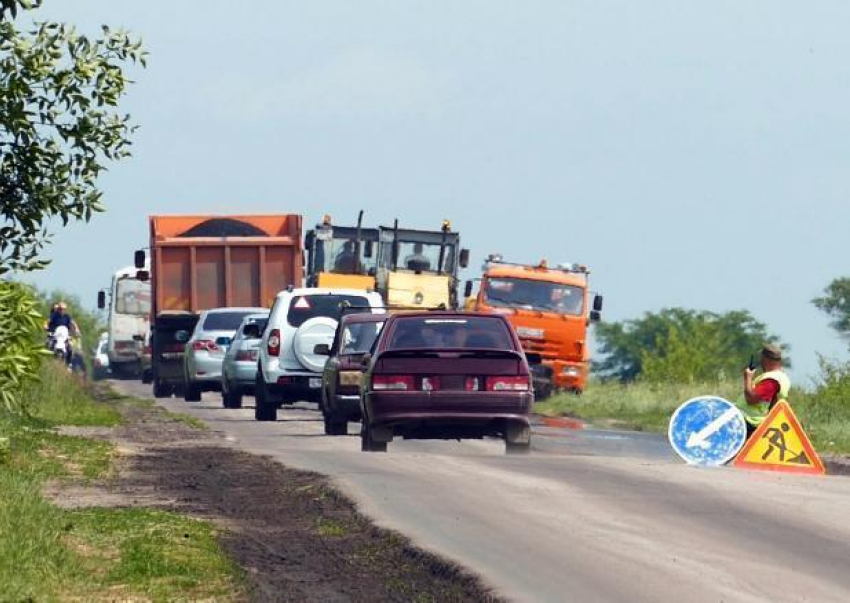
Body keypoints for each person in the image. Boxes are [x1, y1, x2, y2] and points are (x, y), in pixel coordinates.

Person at [739, 344, 790, 437]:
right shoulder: (779, 377)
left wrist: (748, 378)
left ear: (766, 359)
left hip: (750, 422)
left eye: (761, 358)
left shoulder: (772, 380)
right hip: (752, 421)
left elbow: (751, 399)